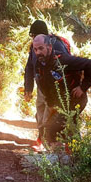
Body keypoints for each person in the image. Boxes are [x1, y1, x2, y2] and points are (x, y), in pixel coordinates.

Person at [31, 34, 91, 146]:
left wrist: (83, 87)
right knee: (50, 127)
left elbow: (89, 64)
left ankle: (65, 156)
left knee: (56, 127)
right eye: (35, 49)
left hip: (76, 99)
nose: (38, 52)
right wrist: (51, 104)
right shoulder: (39, 65)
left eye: (41, 48)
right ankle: (68, 155)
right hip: (61, 102)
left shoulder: (63, 60)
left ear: (49, 47)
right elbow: (44, 87)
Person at [23, 20, 68, 151]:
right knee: (40, 112)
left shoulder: (57, 45)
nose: (33, 40)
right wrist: (28, 88)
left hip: (55, 88)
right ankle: (42, 138)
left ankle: (50, 144)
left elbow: (65, 66)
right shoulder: (35, 46)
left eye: (34, 36)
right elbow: (29, 67)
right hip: (41, 86)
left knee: (50, 115)